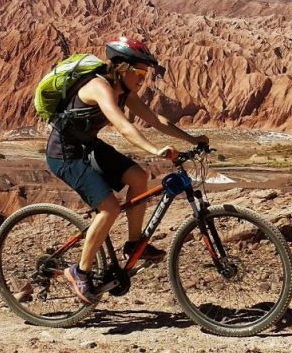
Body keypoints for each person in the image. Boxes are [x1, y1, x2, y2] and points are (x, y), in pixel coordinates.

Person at [45, 36, 208, 304]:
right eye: (140, 72)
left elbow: (156, 120)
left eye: (145, 73)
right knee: (109, 208)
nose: (143, 79)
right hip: (64, 155)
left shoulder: (124, 92)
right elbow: (123, 126)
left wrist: (193, 140)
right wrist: (154, 151)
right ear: (122, 68)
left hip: (87, 146)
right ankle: (79, 271)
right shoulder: (99, 87)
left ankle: (134, 244)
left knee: (139, 176)